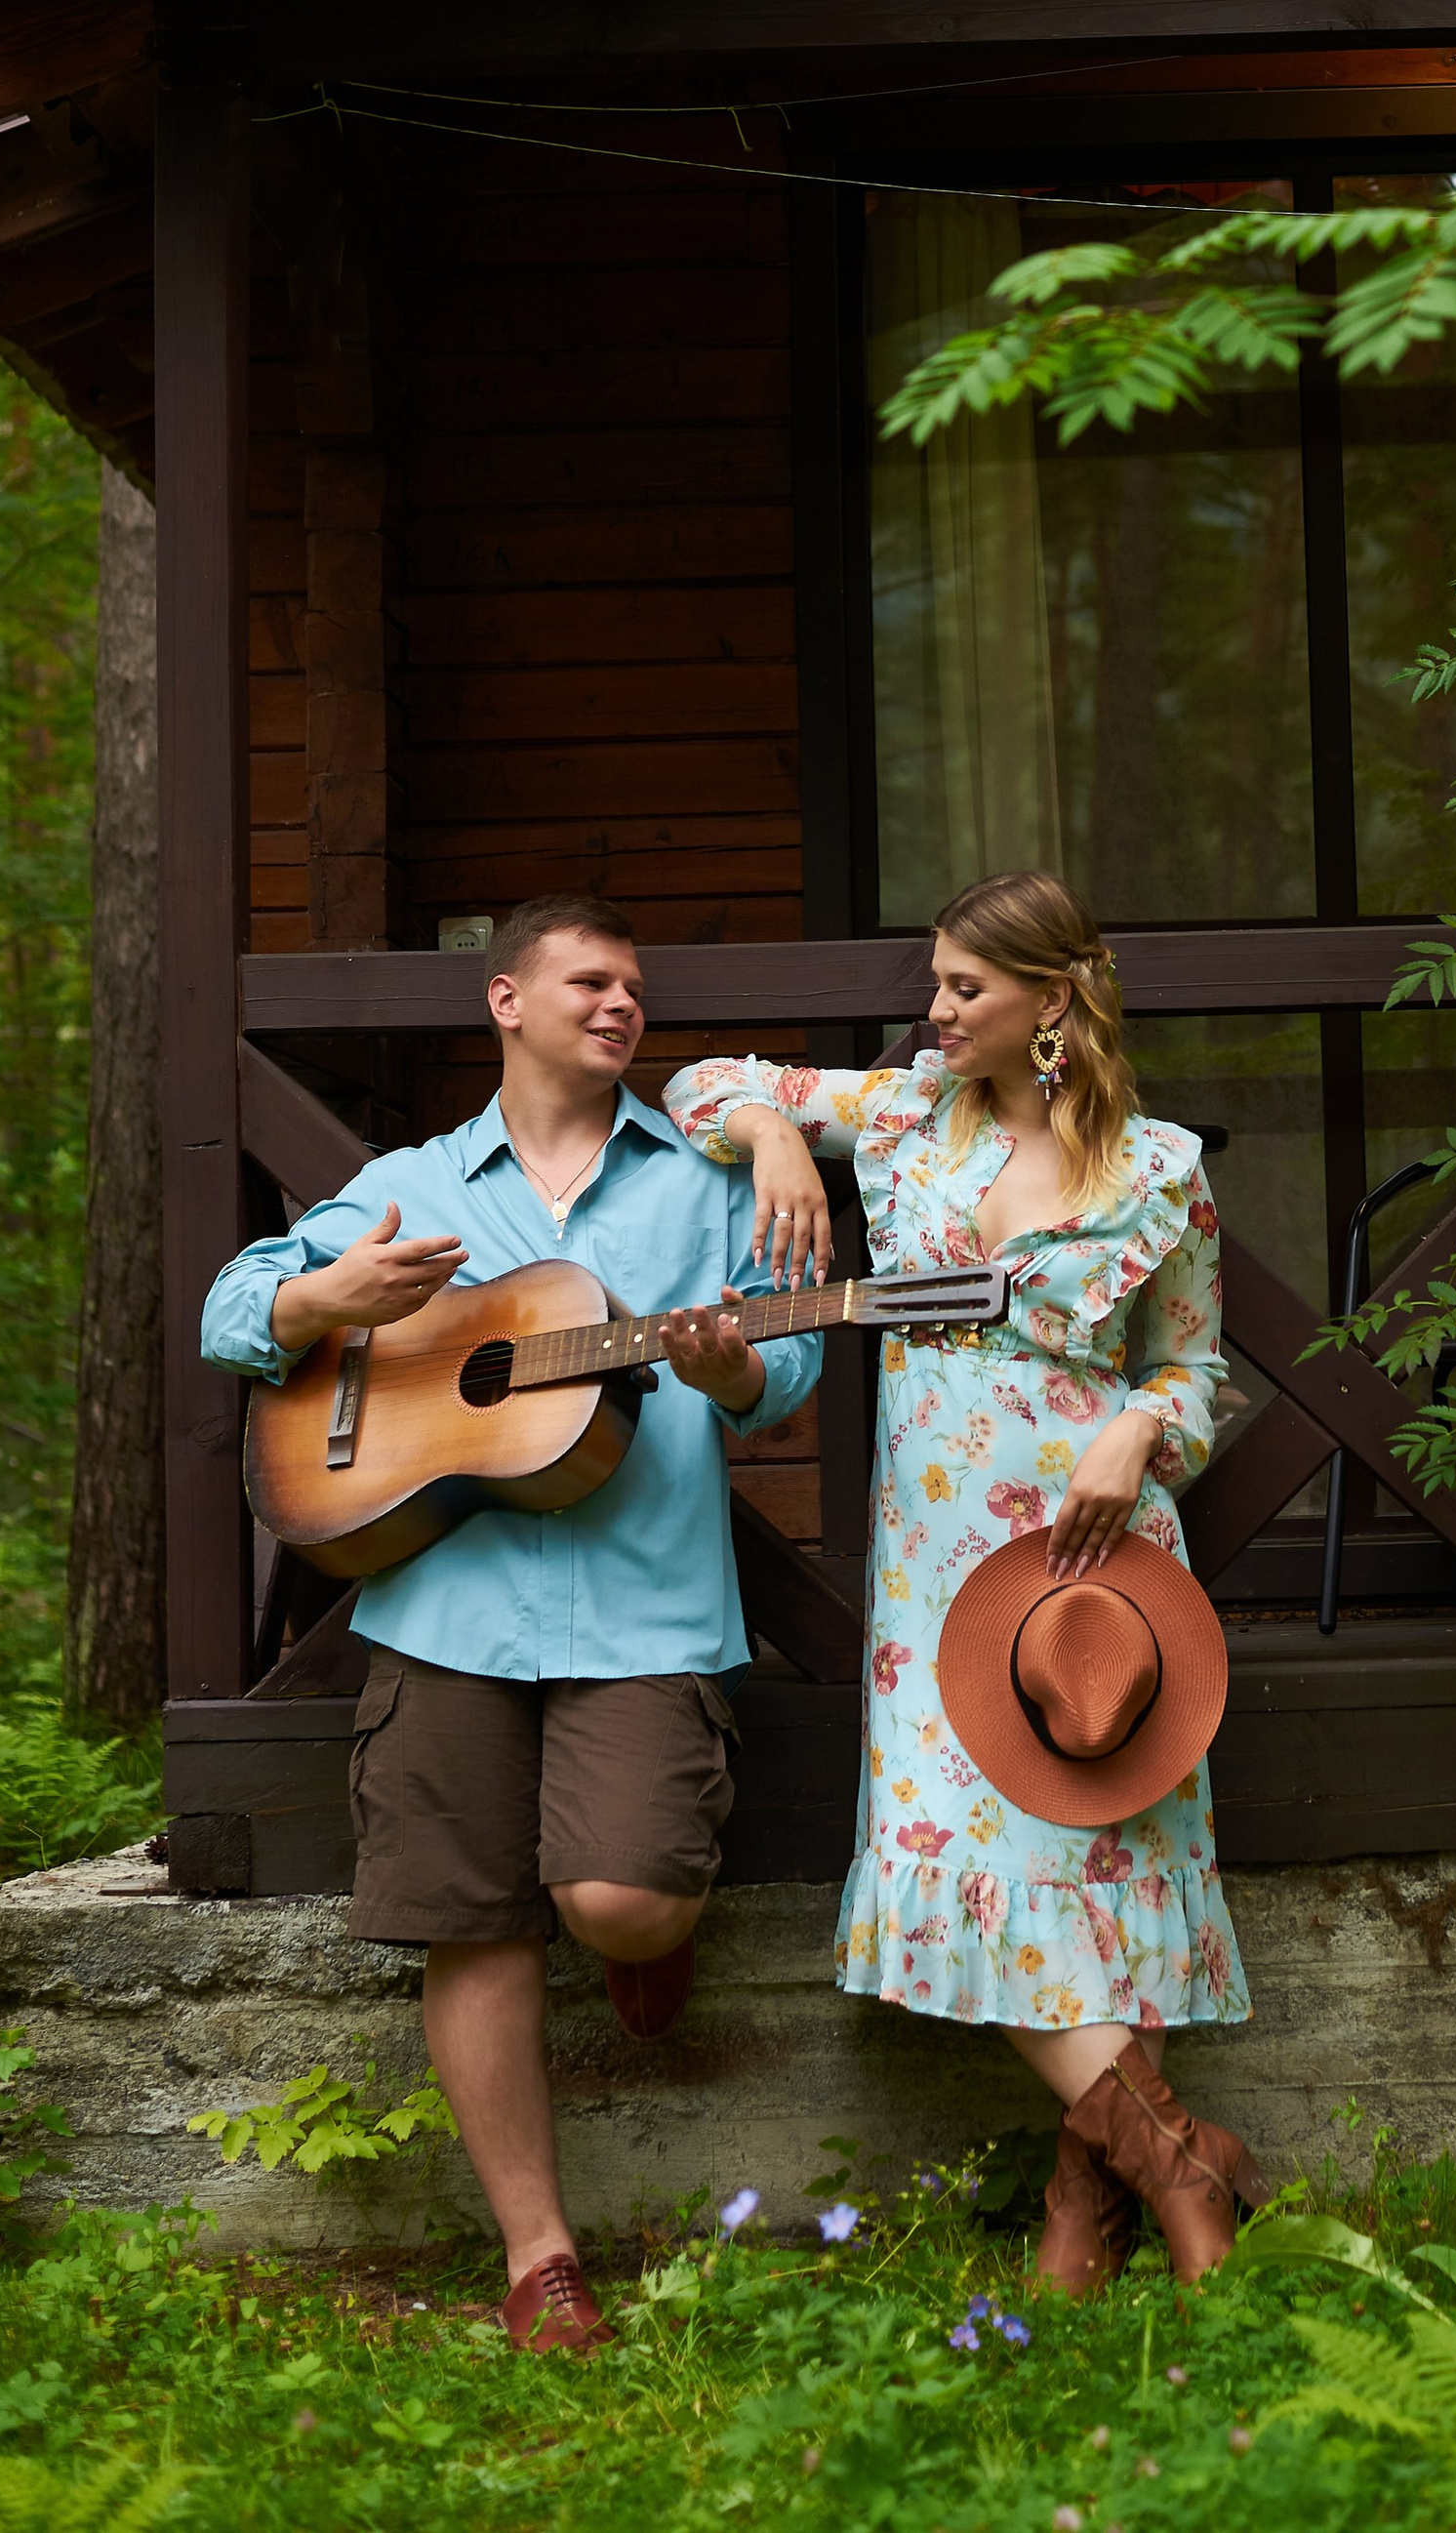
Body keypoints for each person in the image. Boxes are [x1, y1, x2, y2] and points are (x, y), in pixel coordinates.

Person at [200, 893, 818, 2357]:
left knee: (622, 1899)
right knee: (470, 1930)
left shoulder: (701, 1178)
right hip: (446, 1612)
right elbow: (234, 1307)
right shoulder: (414, 1182)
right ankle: (540, 2258)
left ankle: (636, 1926)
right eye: (589, 980)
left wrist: (733, 1372)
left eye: (635, 987)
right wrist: (321, 1298)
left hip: (644, 1609)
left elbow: (783, 1381)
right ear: (506, 1003)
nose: (619, 1004)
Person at [664, 867, 1254, 2290]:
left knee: (1101, 1849)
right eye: (934, 984)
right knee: (966, 1853)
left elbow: (1197, 1369)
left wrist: (1139, 1425)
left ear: (1053, 1002)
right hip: (937, 1573)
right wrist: (776, 1137)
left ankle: (1084, 2205)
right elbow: (699, 1079)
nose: (934, 1012)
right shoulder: (904, 1114)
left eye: (964, 990)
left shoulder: (1163, 1168)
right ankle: (1183, 2174)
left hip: (1095, 1565)